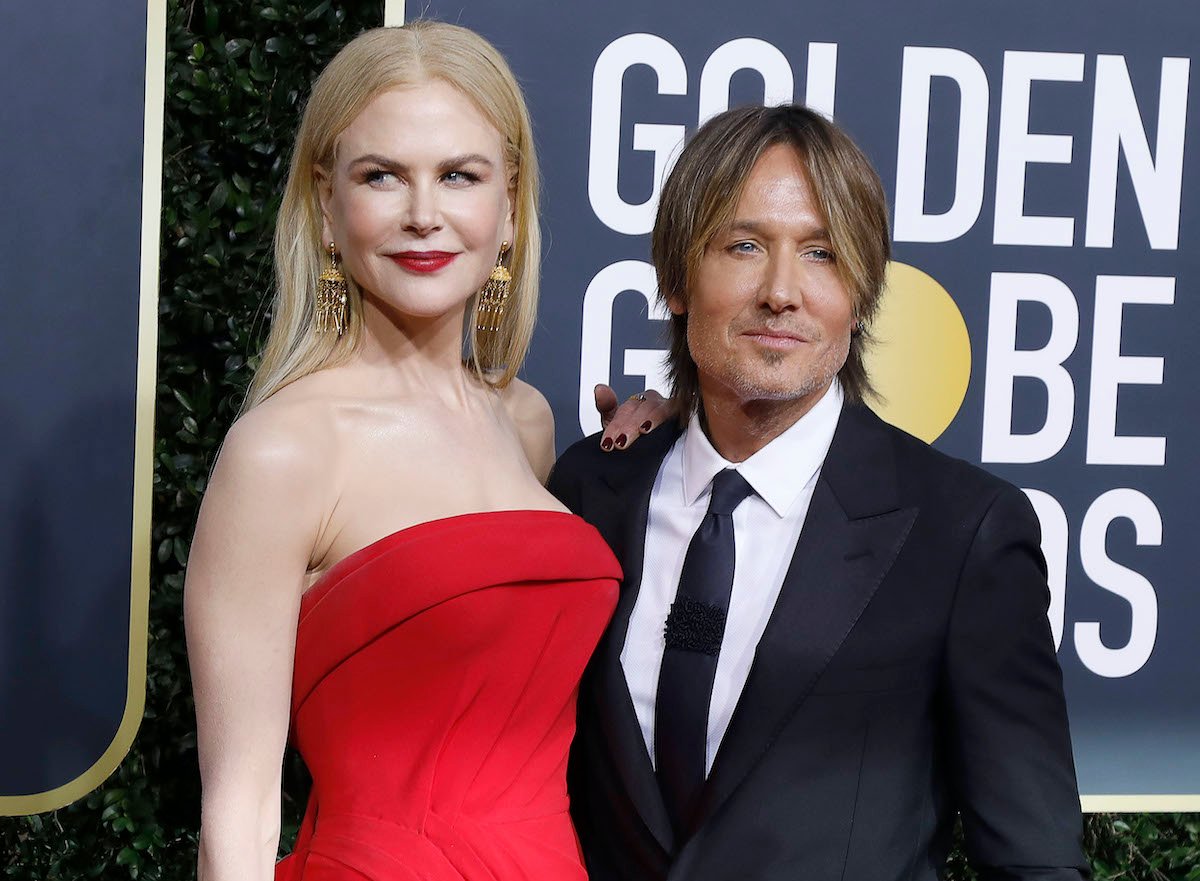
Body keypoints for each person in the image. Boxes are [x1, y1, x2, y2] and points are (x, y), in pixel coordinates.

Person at [549, 104, 1090, 880]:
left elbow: (1036, 860)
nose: (781, 291)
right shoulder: (592, 489)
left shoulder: (963, 533)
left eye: (822, 254)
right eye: (742, 246)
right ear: (674, 277)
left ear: (863, 293)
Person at [184, 22, 664, 881]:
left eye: (458, 175)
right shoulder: (284, 451)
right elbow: (241, 815)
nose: (423, 215)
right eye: (381, 176)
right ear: (328, 207)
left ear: (509, 208)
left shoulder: (526, 423)